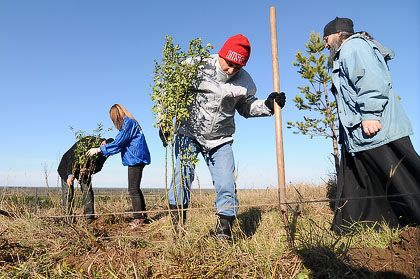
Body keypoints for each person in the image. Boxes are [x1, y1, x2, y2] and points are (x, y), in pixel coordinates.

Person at [159, 34, 286, 239]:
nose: (231, 70)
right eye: (228, 63)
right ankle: (178, 231)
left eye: (237, 66)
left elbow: (246, 107)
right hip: (188, 133)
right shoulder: (196, 66)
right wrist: (164, 120)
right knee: (181, 177)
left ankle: (223, 233)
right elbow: (170, 90)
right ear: (221, 54)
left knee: (226, 183)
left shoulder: (245, 81)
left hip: (220, 138)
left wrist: (267, 105)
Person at [323, 17, 420, 233]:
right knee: (366, 182)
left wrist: (370, 114)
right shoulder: (347, 52)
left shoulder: (354, 48)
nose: (325, 44)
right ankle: (363, 228)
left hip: (377, 129)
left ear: (338, 34)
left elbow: (372, 80)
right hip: (360, 134)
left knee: (404, 179)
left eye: (326, 39)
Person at [87, 104, 151, 229]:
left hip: (135, 158)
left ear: (116, 115)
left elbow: (118, 143)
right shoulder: (131, 123)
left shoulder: (128, 124)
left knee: (132, 189)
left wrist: (99, 149)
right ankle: (143, 216)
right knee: (136, 188)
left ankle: (138, 219)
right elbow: (119, 143)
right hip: (137, 157)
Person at [58, 136, 113, 223]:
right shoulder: (87, 141)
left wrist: (88, 171)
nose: (104, 153)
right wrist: (70, 174)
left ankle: (89, 218)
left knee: (87, 190)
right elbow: (72, 157)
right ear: (103, 142)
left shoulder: (106, 152)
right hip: (67, 166)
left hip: (84, 170)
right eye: (104, 148)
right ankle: (68, 219)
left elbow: (99, 166)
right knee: (68, 193)